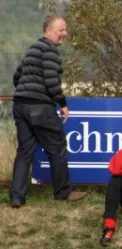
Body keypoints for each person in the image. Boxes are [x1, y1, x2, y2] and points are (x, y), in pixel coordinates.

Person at [9, 15, 86, 208]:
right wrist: (62, 103)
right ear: (48, 31)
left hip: (20, 104)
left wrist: (26, 92)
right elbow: (52, 81)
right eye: (61, 30)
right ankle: (63, 193)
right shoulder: (50, 50)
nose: (64, 34)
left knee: (24, 152)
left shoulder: (32, 49)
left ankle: (17, 197)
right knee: (57, 147)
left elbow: (17, 76)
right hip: (40, 106)